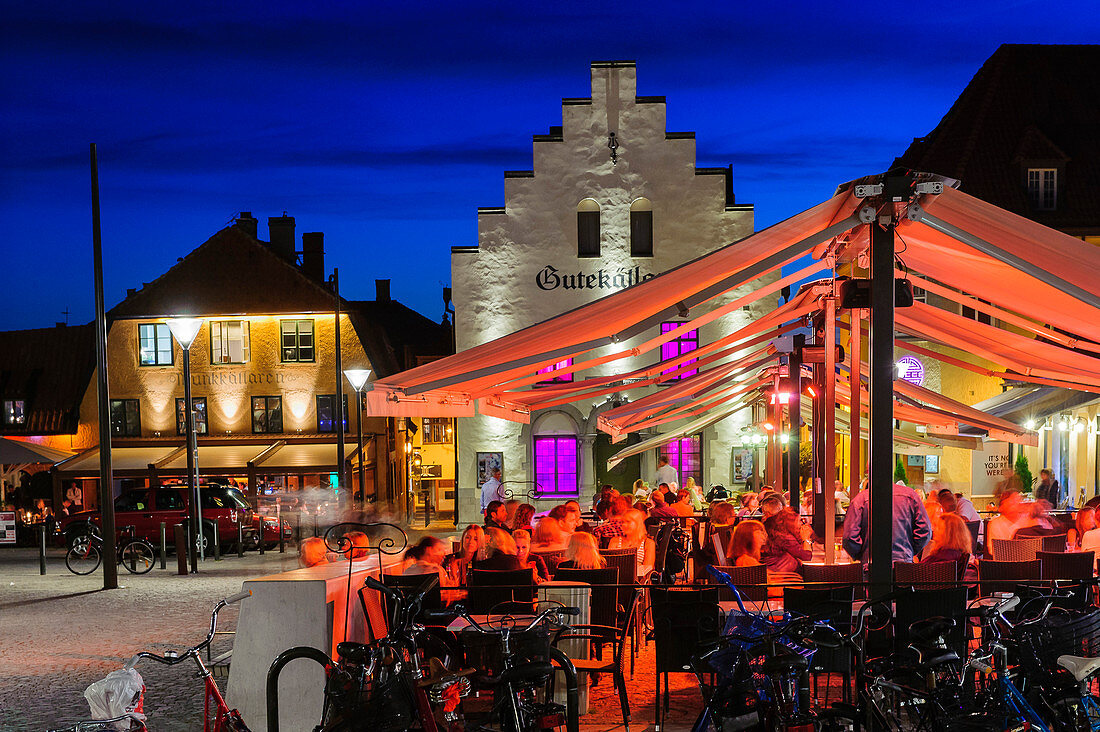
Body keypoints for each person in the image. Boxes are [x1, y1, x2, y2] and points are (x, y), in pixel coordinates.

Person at [842, 479, 932, 563]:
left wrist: (862, 555)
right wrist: (908, 551)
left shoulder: (861, 499)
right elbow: (924, 531)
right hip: (903, 564)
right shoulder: (910, 496)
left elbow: (849, 537)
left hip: (871, 566)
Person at [761, 507, 813, 573]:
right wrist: (806, 539)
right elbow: (807, 557)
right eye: (800, 520)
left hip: (772, 573)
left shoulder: (776, 534)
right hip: (782, 577)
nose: (801, 524)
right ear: (791, 522)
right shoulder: (785, 538)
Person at [607, 509, 656, 578]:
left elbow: (647, 569)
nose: (624, 525)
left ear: (637, 523)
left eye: (628, 522)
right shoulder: (615, 541)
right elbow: (610, 566)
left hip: (637, 582)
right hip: (617, 580)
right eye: (622, 522)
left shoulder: (648, 543)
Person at [985, 491, 1030, 558]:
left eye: (1018, 500)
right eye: (1012, 501)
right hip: (1004, 564)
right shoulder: (995, 524)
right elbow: (993, 550)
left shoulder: (1028, 521)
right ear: (1002, 506)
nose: (1017, 504)